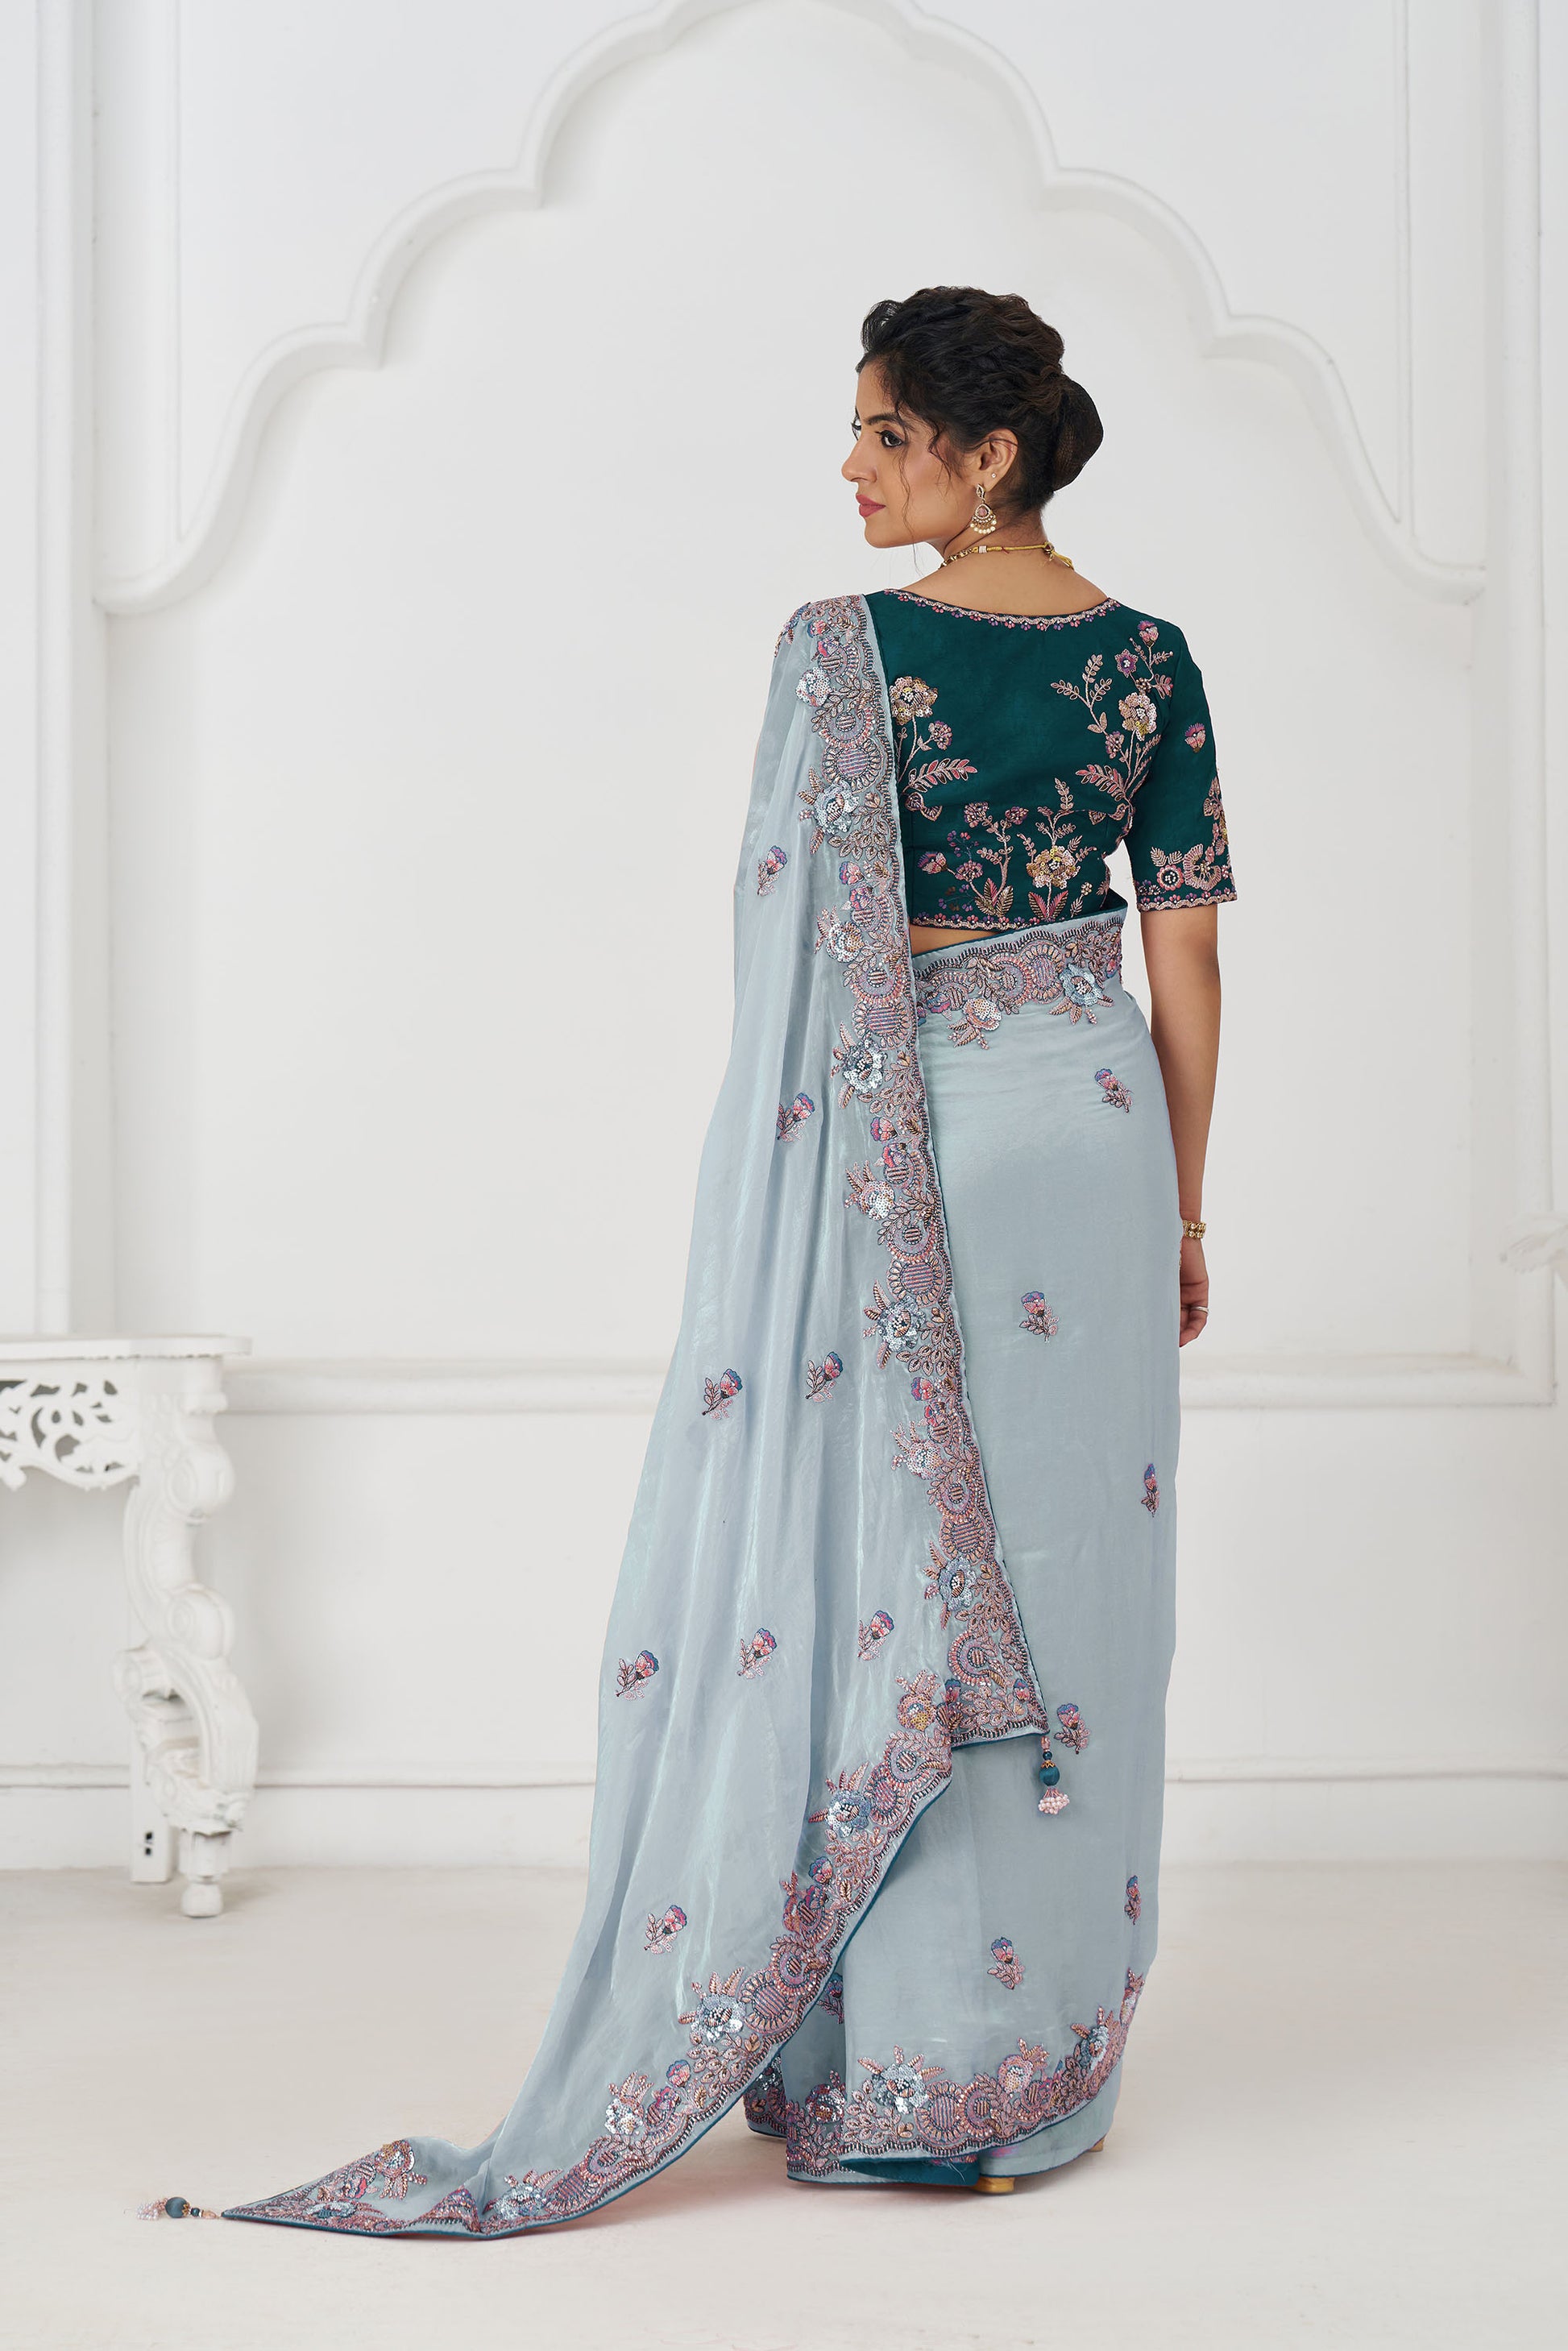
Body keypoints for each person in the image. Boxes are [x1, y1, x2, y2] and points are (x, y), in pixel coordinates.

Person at [154, 284, 1233, 2237]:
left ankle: (887, 2065)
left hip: (913, 1145)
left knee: (895, 1564)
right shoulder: (1152, 658)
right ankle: (1017, 2077)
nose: (852, 466)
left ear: (986, 455)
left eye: (885, 433)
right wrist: (1182, 1206)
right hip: (1093, 1134)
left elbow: (796, 954)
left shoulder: (842, 654)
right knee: (1073, 1578)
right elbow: (1187, 953)